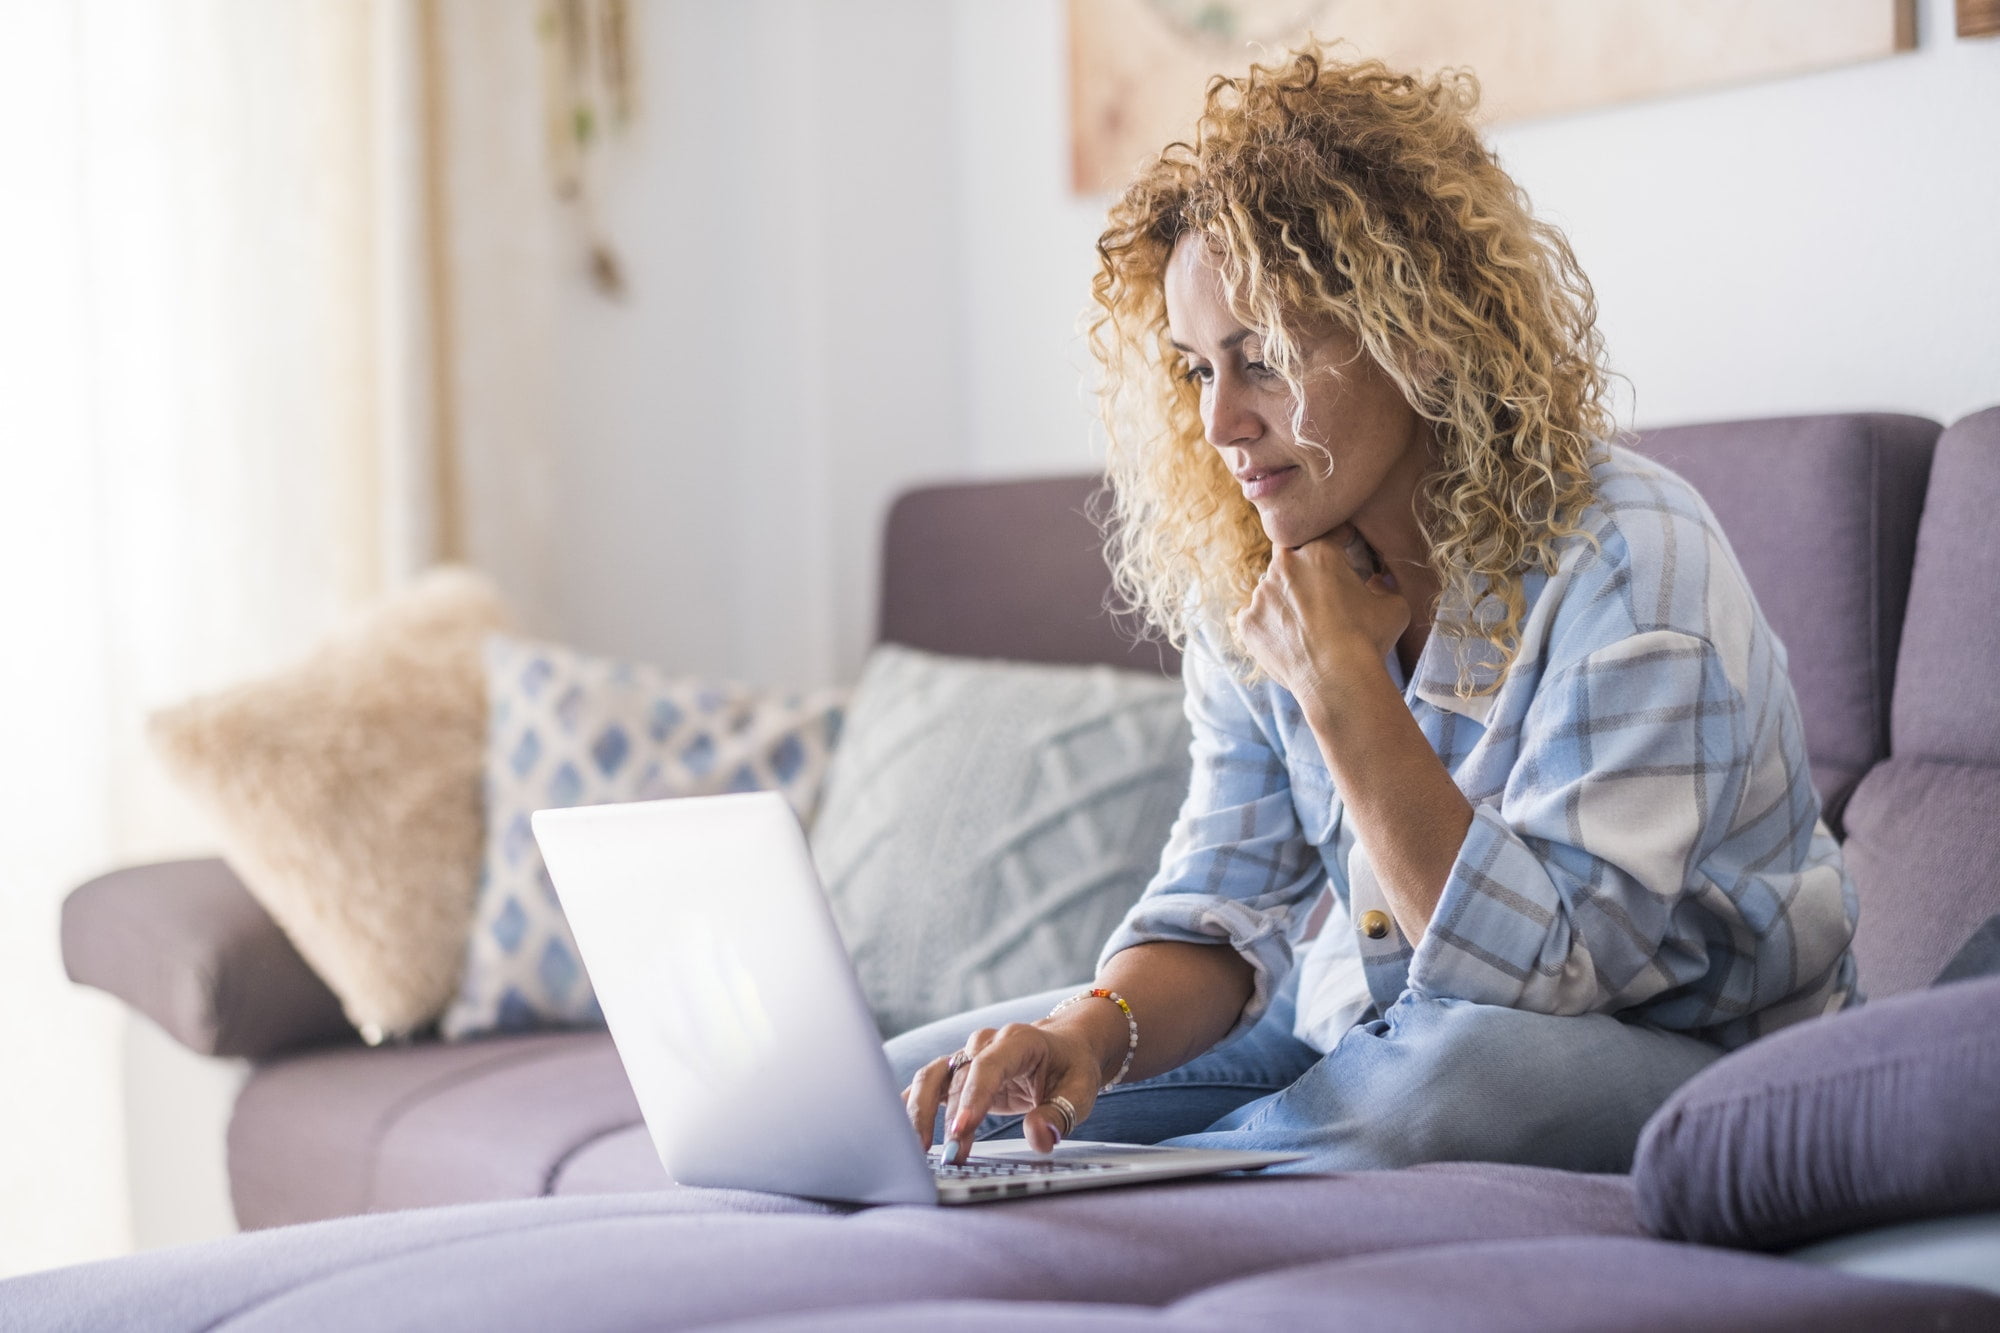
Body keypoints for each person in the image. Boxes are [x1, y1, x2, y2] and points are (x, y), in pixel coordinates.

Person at [890, 45, 1859, 1175]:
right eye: (1197, 368)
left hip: (1676, 1055)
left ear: (1417, 333)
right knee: (911, 1084)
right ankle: (1192, 1167)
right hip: (1371, 1035)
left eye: (1261, 357)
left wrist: (1343, 686)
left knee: (1444, 1076)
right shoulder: (1258, 567)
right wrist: (1084, 1035)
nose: (1219, 425)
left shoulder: (1630, 559)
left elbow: (1542, 979)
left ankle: (1182, 1181)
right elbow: (1219, 906)